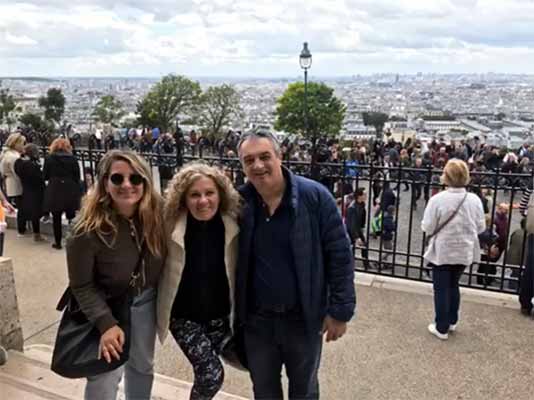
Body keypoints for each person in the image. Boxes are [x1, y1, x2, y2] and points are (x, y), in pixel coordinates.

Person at [236, 130, 356, 399]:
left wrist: (340, 310)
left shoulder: (315, 197)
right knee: (264, 391)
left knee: (304, 390)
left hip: (302, 317)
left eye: (265, 156)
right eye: (249, 160)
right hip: (257, 321)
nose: (257, 165)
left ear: (280, 157)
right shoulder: (239, 203)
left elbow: (339, 254)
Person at [66, 150, 166, 400]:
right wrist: (105, 324)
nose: (127, 185)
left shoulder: (159, 215)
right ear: (104, 183)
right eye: (118, 179)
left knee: (142, 365)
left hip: (145, 301)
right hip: (107, 305)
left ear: (145, 182)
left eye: (135, 178)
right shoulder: (86, 229)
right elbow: (81, 285)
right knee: (104, 372)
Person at [157, 162, 241, 400]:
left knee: (252, 360)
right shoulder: (170, 226)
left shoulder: (232, 225)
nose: (203, 201)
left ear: (220, 194)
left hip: (221, 317)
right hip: (185, 317)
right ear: (183, 199)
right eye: (194, 195)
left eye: (209, 193)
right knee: (210, 374)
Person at [422, 159, 485, 340]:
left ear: (446, 176)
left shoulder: (437, 200)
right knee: (454, 285)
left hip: (443, 250)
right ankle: (451, 320)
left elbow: (427, 226)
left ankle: (441, 327)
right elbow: (480, 227)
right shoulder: (474, 200)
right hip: (464, 249)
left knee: (441, 288)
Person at [43, 138, 81, 249]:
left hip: (55, 188)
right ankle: (72, 241)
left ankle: (58, 242)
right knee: (71, 216)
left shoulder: (49, 158)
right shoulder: (73, 159)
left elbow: (45, 175)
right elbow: (77, 176)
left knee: (56, 217)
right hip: (70, 188)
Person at [14, 143, 46, 242]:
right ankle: (37, 234)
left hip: (26, 188)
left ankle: (23, 230)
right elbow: (40, 178)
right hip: (35, 190)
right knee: (36, 212)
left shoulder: (18, 163)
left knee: (25, 210)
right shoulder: (32, 166)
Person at [0, 133, 26, 235]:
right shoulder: (14, 157)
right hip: (16, 184)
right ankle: (21, 229)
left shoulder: (6, 154)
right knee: (22, 208)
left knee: (20, 207)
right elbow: (17, 172)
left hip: (10, 183)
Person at [345, 188, 372, 269]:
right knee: (351, 247)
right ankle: (350, 264)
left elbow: (363, 215)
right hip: (351, 230)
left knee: (364, 245)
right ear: (359, 196)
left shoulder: (362, 204)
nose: (366, 196)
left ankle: (366, 264)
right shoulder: (352, 207)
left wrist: (362, 226)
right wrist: (356, 237)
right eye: (364, 194)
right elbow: (351, 224)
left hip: (358, 228)